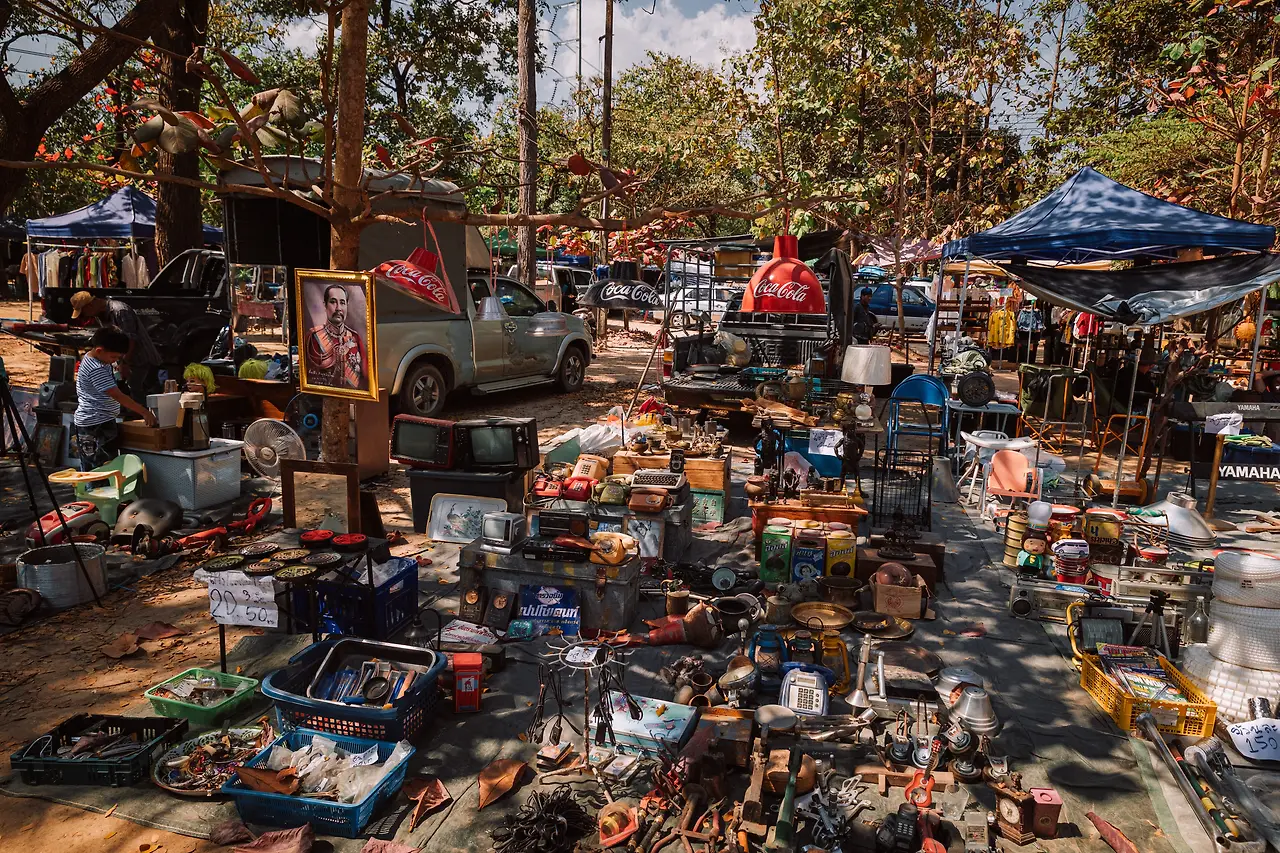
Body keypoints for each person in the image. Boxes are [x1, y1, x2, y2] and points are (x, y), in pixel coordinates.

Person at [74, 327, 157, 471]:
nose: (115, 361)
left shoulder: (98, 359)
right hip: (94, 423)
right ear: (99, 350)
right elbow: (118, 395)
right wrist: (144, 412)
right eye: (113, 357)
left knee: (109, 464)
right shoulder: (96, 369)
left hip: (103, 419)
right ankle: (94, 486)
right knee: (98, 468)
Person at [70, 291, 161, 405]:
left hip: (140, 358)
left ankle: (144, 414)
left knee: (138, 392)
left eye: (84, 312)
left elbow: (131, 339)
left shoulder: (120, 311)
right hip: (123, 359)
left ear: (90, 306)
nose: (86, 316)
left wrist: (125, 363)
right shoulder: (100, 315)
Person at [305, 283, 367, 389]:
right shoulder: (314, 337)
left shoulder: (355, 338)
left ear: (347, 306)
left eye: (342, 303)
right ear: (325, 305)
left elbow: (364, 374)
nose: (338, 308)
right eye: (333, 302)